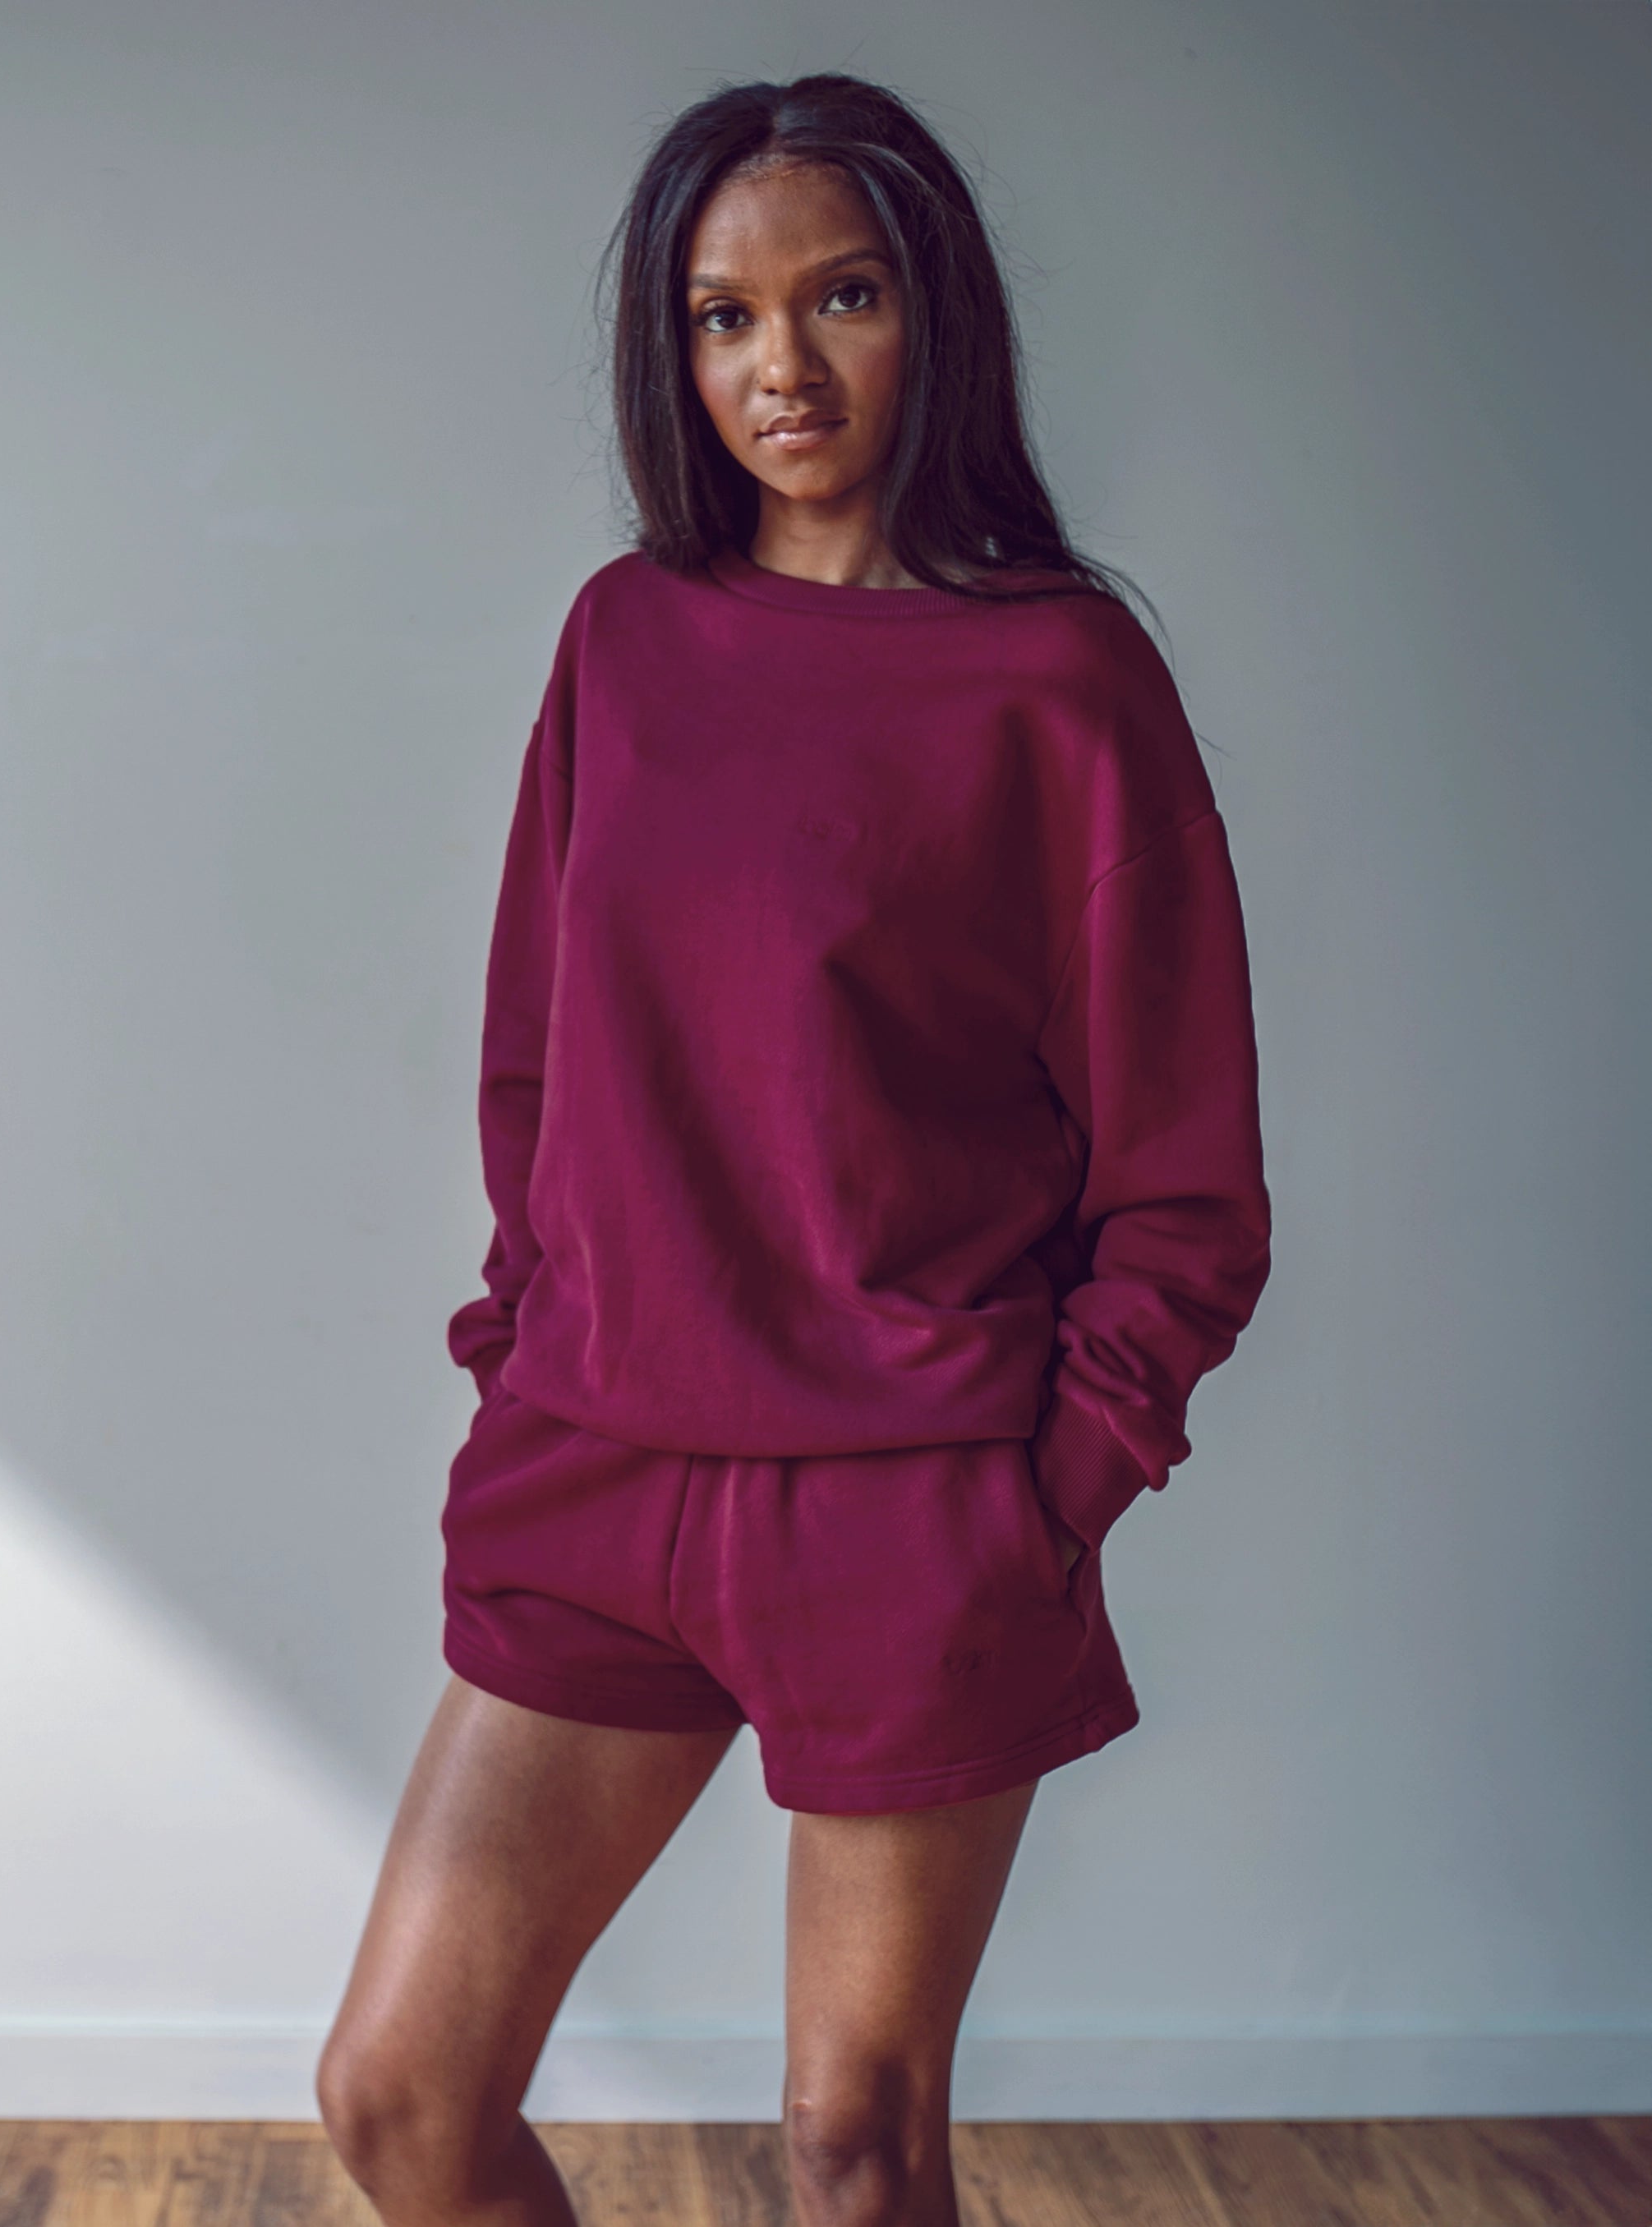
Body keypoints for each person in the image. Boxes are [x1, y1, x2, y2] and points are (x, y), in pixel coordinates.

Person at [315, 70, 1271, 2227]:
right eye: (718, 316)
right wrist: (528, 1341)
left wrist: (1045, 1491)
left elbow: (1187, 1183)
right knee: (396, 2094)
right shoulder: (624, 642)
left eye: (835, 297)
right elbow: (536, 1066)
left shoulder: (1059, 681)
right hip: (601, 1463)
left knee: (854, 2148)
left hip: (916, 1504)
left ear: (931, 315)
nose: (777, 367)